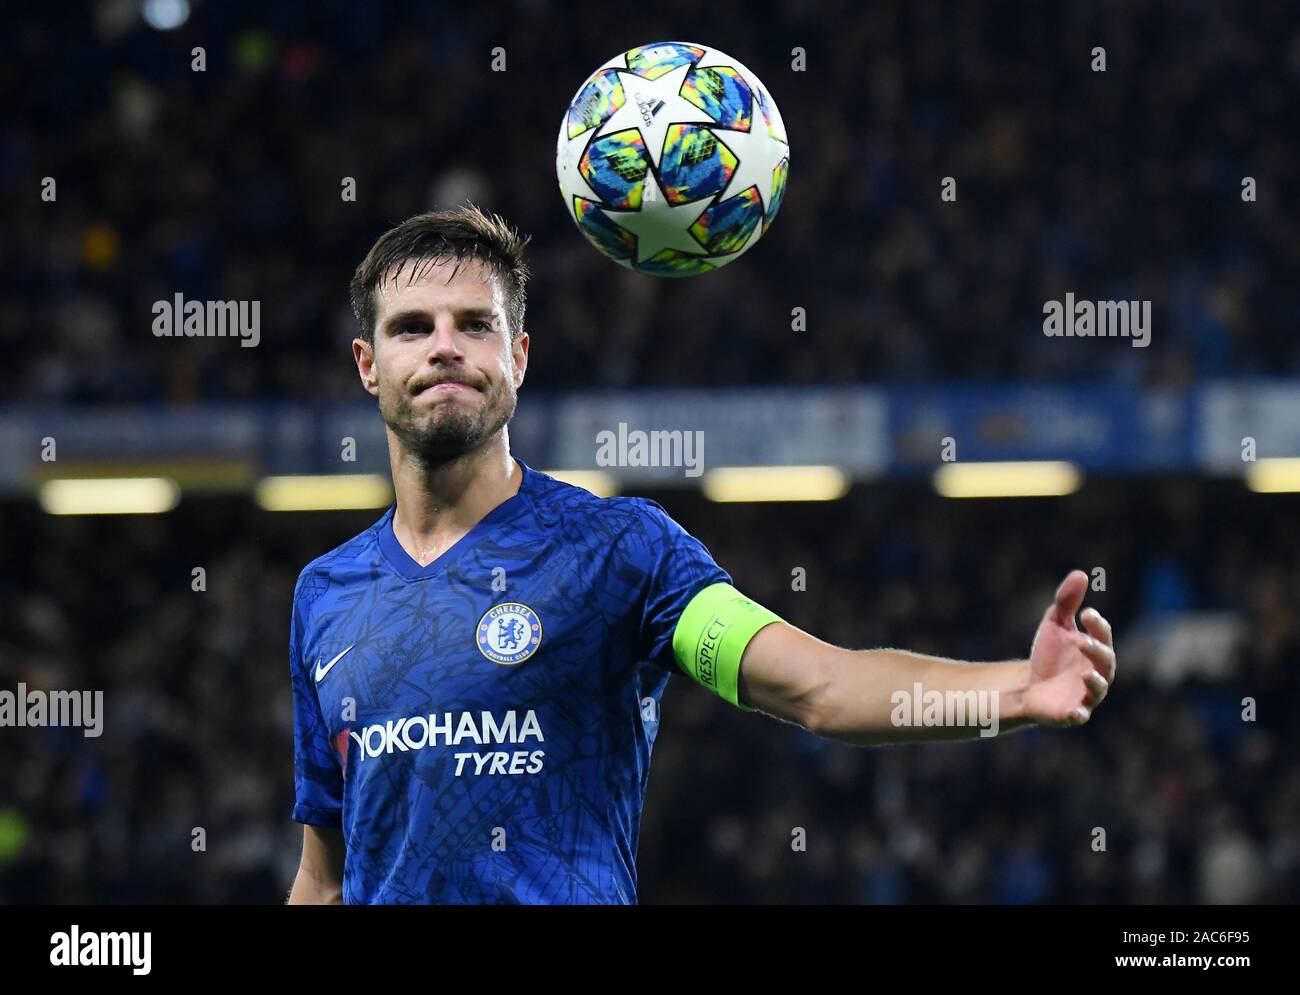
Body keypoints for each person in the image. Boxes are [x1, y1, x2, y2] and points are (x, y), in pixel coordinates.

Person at [286, 205, 1116, 904]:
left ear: (520, 357)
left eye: (476, 324)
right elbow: (323, 880)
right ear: (368, 364)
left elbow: (819, 686)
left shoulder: (620, 550)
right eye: (411, 328)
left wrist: (1017, 689)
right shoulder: (326, 595)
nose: (444, 347)